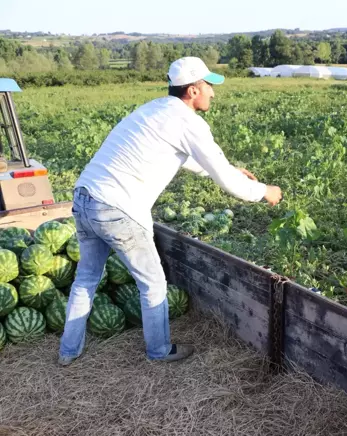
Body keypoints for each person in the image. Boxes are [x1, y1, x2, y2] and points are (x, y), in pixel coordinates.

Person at [58, 57, 282, 365]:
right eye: (208, 86)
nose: (213, 93)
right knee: (152, 283)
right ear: (192, 90)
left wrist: (231, 169)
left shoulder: (153, 110)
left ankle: (68, 351)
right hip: (117, 208)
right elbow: (226, 181)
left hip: (85, 196)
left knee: (86, 278)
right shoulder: (188, 122)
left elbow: (191, 160)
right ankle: (159, 351)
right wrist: (264, 192)